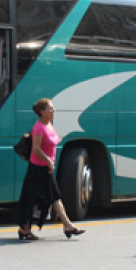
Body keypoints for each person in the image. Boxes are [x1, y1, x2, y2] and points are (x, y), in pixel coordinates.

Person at [13, 98, 85, 241]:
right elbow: (36, 149)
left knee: (52, 196)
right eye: (50, 109)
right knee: (40, 198)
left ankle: (66, 225)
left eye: (53, 108)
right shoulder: (39, 127)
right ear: (42, 112)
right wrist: (48, 162)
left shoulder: (49, 125)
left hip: (45, 168)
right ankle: (65, 226)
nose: (54, 110)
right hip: (38, 168)